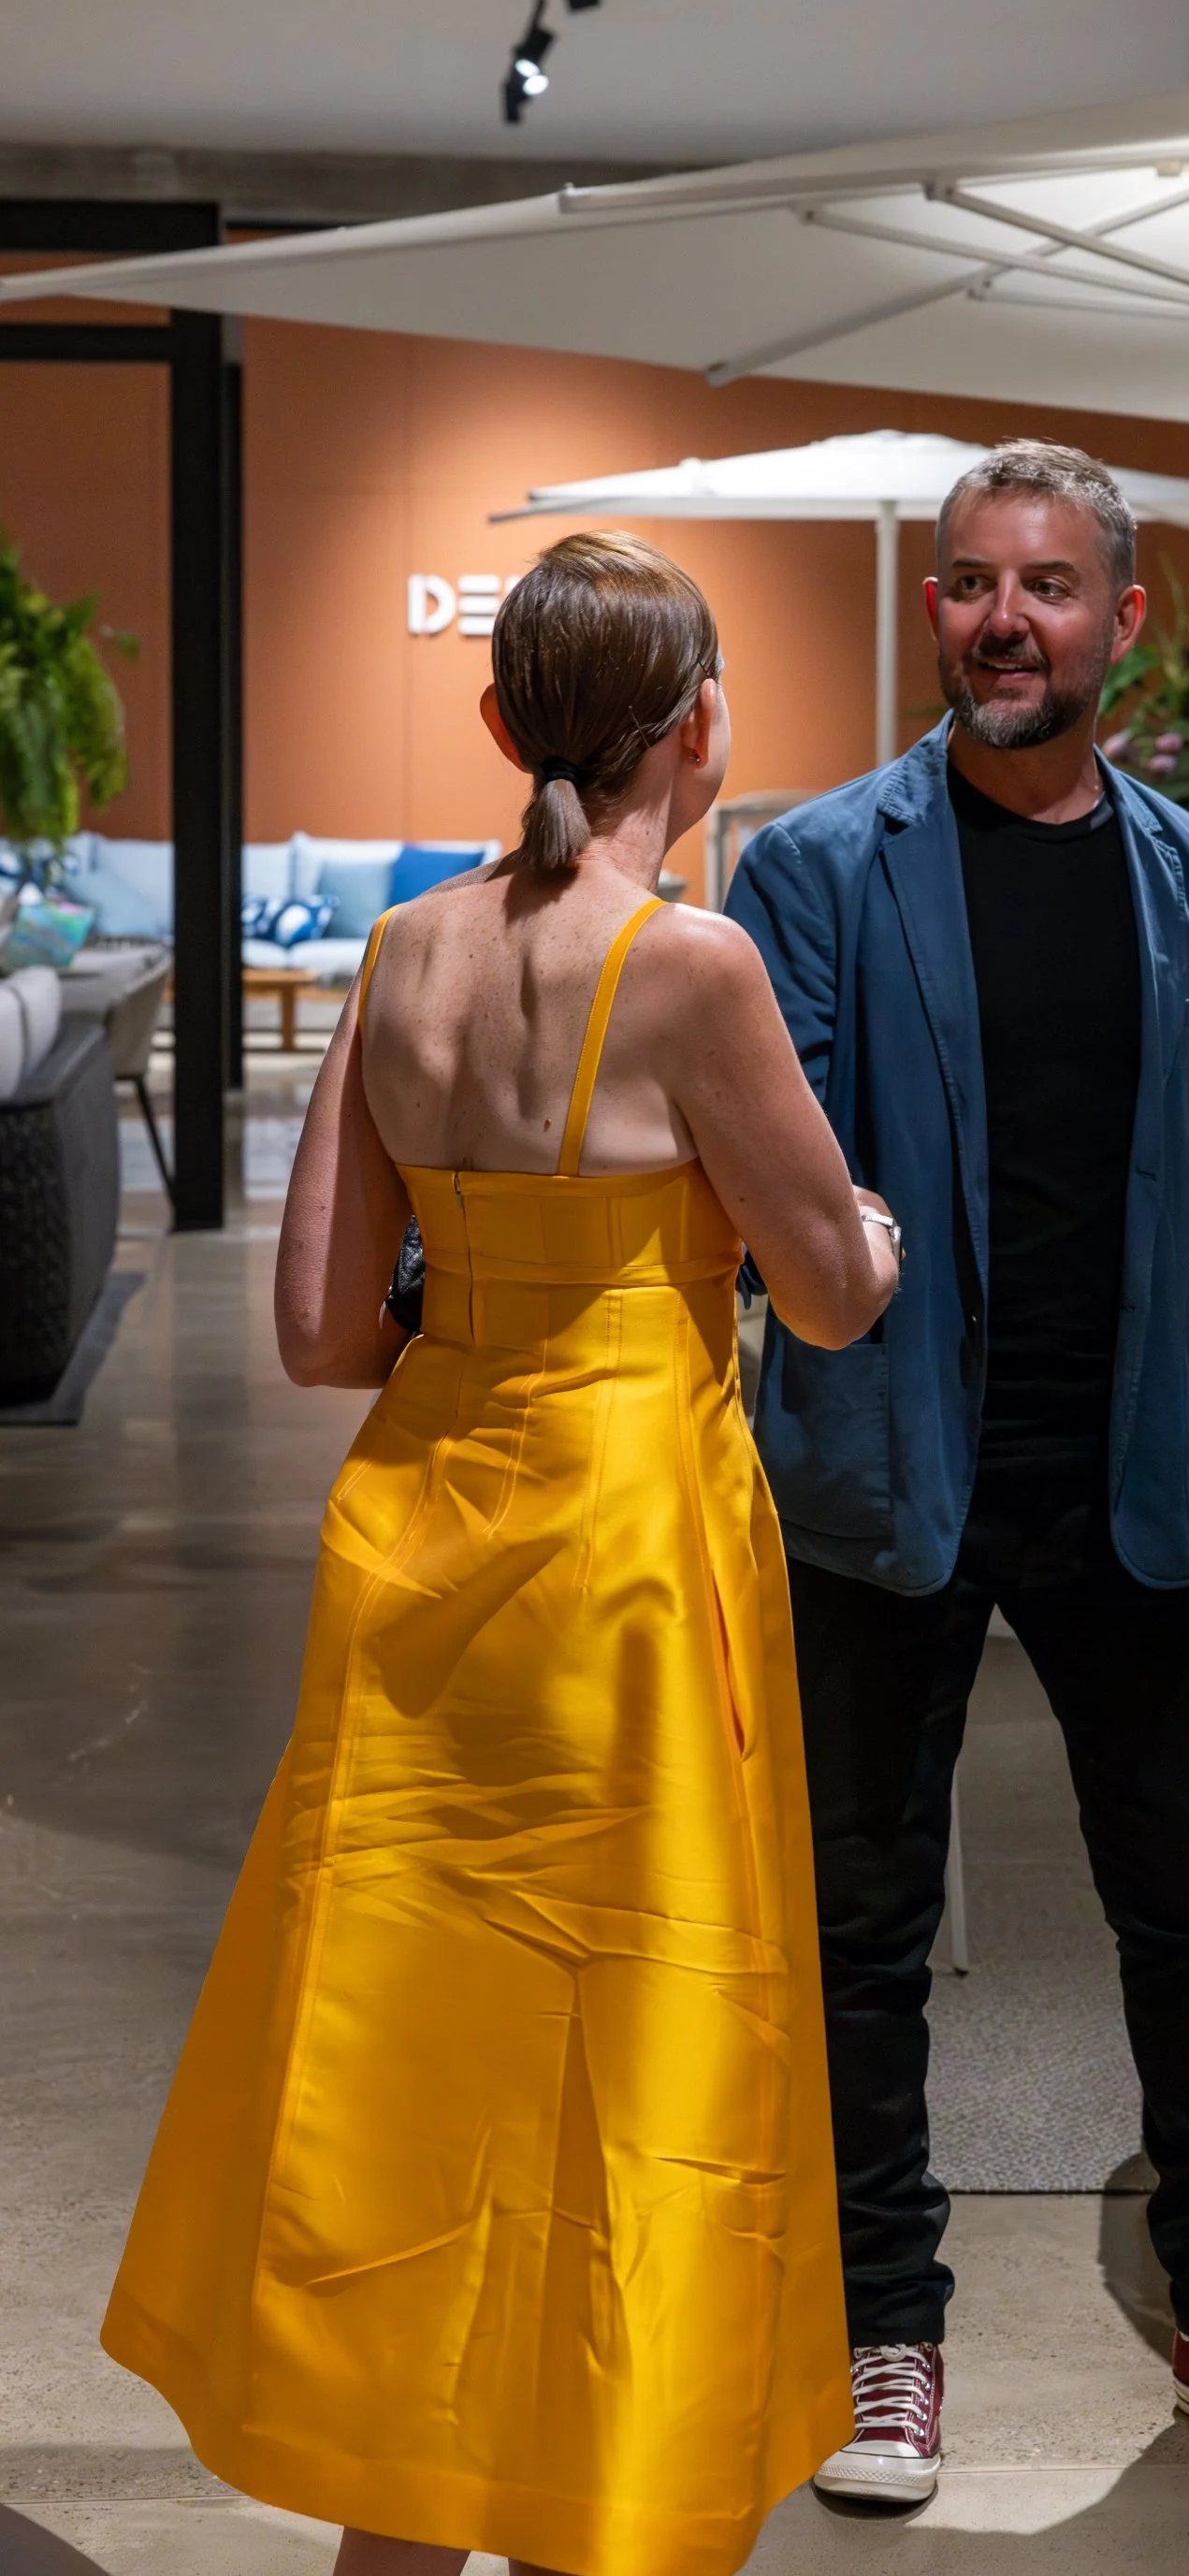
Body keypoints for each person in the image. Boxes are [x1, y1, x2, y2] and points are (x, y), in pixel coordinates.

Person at [101, 533, 903, 2576]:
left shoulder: (403, 955)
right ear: (702, 722)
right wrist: (870, 1235)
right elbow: (827, 1295)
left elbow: (318, 1331)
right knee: (627, 2054)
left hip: (423, 1537)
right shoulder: (693, 967)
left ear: (495, 722)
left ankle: (402, 2520)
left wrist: (485, 1326)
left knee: (412, 2069)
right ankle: (591, 2496)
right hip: (626, 1561)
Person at [724, 438, 1189, 2501]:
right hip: (882, 1478)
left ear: (1122, 617)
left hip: (1133, 1476)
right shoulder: (815, 867)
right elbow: (777, 1191)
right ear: (934, 607)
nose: (1002, 618)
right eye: (969, 582)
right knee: (862, 1923)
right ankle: (883, 2333)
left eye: (1045, 584)